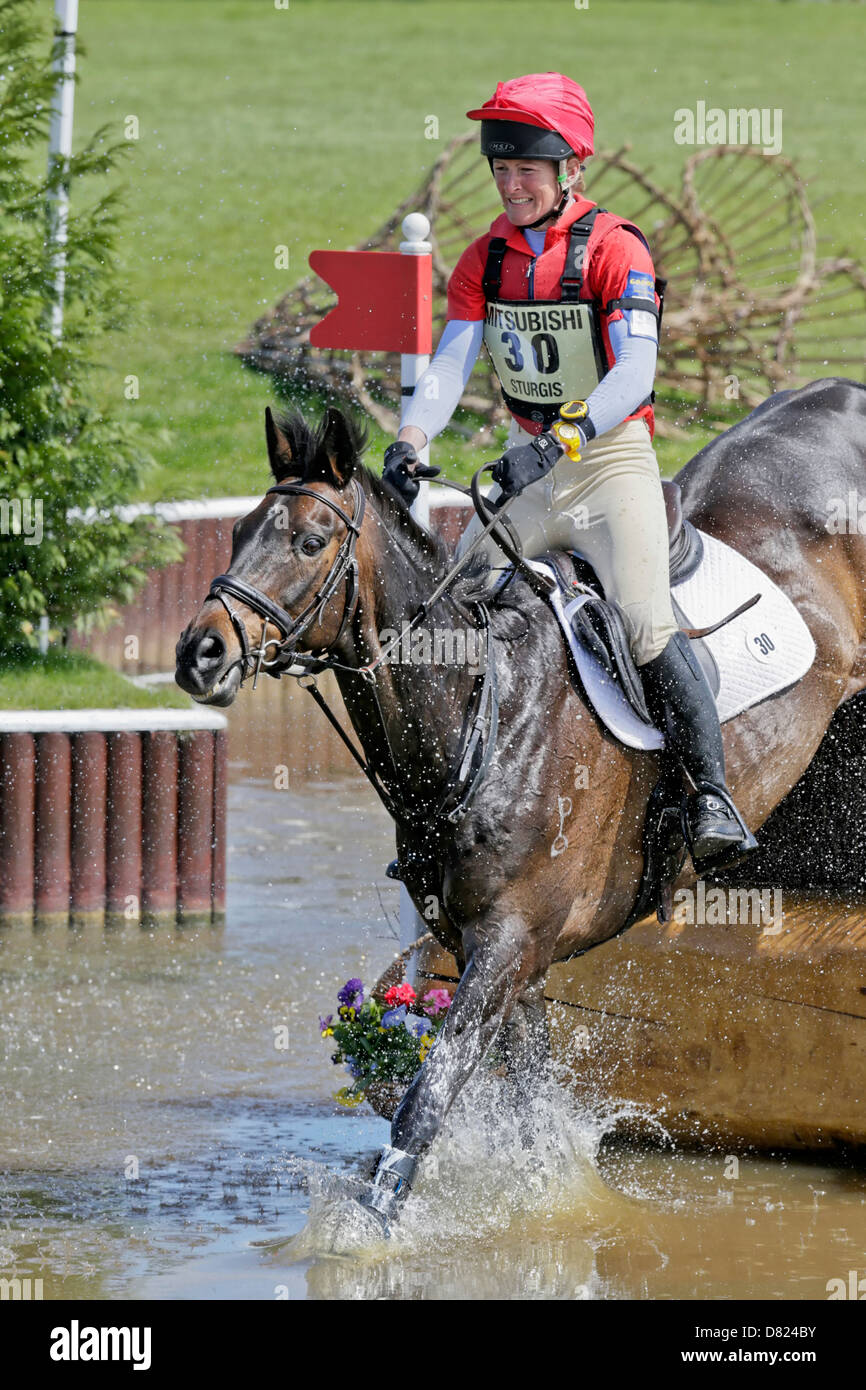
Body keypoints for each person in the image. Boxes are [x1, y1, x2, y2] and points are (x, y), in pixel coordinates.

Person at [383, 72, 755, 871]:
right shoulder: (485, 259)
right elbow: (451, 362)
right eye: (502, 170)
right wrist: (412, 437)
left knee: (645, 621)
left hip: (609, 462)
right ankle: (441, 812)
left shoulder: (617, 249)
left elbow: (636, 374)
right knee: (452, 615)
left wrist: (564, 436)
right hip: (530, 478)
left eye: (528, 171)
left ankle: (710, 797)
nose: (512, 186)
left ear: (569, 171)